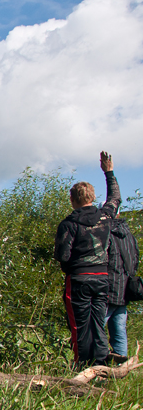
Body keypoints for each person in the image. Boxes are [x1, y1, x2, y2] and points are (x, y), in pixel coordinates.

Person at [54, 151, 121, 367]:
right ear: (92, 198)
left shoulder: (68, 224)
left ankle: (82, 366)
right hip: (102, 277)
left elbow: (62, 256)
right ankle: (101, 366)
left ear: (72, 199)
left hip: (79, 279)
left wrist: (70, 266)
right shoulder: (106, 216)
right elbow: (115, 199)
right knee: (98, 324)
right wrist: (109, 172)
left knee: (79, 326)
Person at [105, 212, 139, 362]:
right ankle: (121, 366)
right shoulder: (129, 236)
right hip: (124, 289)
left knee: (96, 329)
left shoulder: (105, 233)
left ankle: (94, 362)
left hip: (108, 288)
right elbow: (136, 260)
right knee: (119, 330)